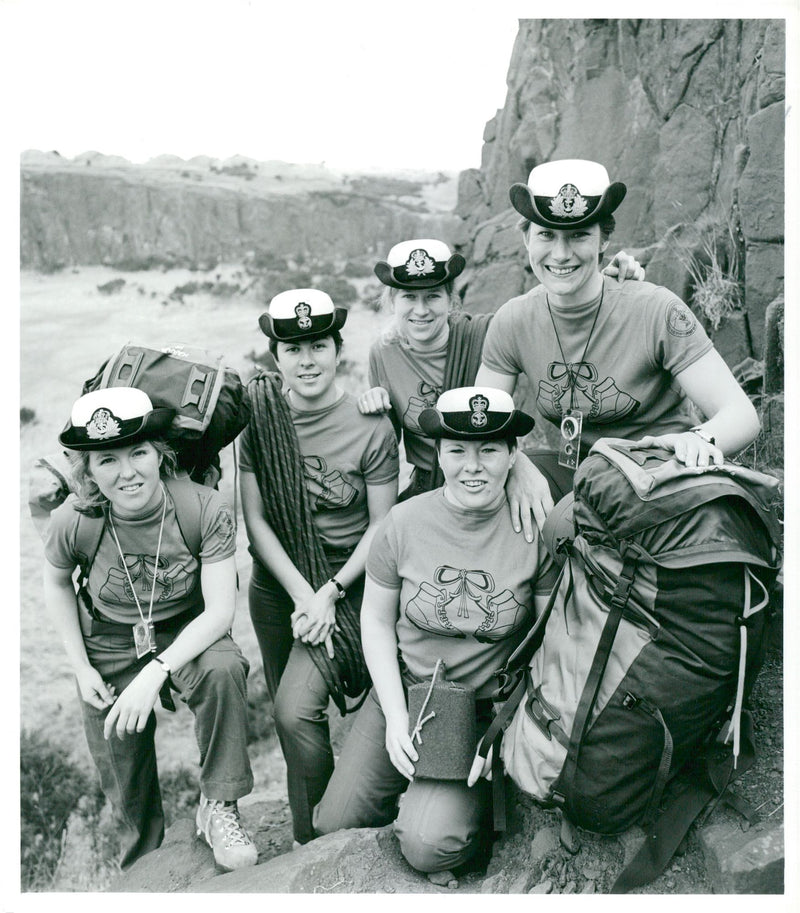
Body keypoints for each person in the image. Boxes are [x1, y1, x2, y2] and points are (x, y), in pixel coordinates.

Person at [314, 387, 558, 874]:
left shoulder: (537, 529)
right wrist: (396, 713)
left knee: (428, 846)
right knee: (335, 823)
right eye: (457, 451)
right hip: (406, 691)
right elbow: (378, 622)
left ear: (514, 455)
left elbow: (552, 643)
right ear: (439, 454)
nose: (473, 466)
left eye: (489, 450)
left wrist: (503, 732)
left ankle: (481, 798)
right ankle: (424, 784)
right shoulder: (402, 523)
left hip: (483, 708)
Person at [475, 158, 760, 538]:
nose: (560, 254)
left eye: (578, 235)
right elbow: (482, 424)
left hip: (661, 471)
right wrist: (516, 464)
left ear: (604, 240)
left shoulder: (655, 309)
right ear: (526, 237)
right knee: (490, 498)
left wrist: (695, 442)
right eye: (546, 234)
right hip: (580, 470)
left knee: (563, 529)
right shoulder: (512, 321)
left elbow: (742, 415)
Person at [42, 386, 257, 871]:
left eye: (138, 453)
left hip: (187, 626)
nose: (127, 473)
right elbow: (56, 584)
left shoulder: (202, 508)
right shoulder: (73, 521)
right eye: (106, 461)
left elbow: (220, 612)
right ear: (89, 472)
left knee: (223, 669)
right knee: (121, 765)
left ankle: (218, 805)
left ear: (160, 454)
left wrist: (157, 671)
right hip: (109, 638)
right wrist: (80, 668)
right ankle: (144, 864)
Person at [239, 288, 399, 845]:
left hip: (349, 579)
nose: (306, 360)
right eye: (292, 349)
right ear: (275, 358)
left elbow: (382, 526)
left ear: (337, 350)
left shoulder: (370, 423)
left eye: (317, 346)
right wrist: (304, 594)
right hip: (278, 586)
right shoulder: (258, 422)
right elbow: (255, 523)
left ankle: (331, 828)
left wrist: (328, 591)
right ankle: (308, 831)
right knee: (293, 723)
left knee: (292, 708)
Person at [359, 237, 645, 501]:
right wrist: (373, 409)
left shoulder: (486, 333)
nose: (421, 310)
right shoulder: (383, 353)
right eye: (409, 297)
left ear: (450, 300)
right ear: (392, 301)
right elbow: (388, 442)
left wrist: (599, 281)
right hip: (428, 485)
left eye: (432, 296)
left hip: (494, 478)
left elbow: (552, 313)